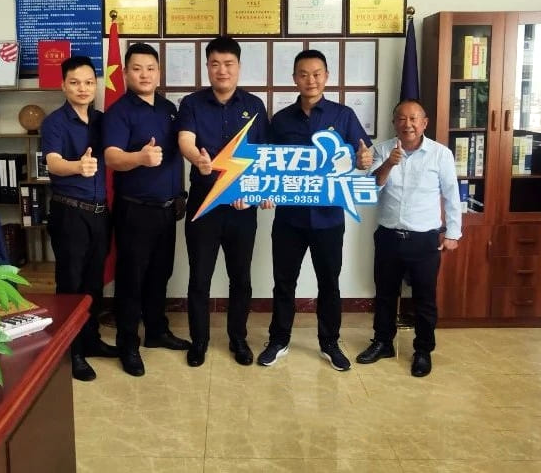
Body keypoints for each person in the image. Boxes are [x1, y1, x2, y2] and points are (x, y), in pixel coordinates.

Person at [256, 49, 373, 371]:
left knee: (329, 283)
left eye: (317, 73)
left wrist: (365, 160)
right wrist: (265, 192)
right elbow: (267, 163)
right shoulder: (281, 120)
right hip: (289, 219)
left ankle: (329, 343)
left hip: (328, 217)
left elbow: (363, 155)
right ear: (294, 78)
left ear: (327, 76)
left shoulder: (343, 115)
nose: (311, 80)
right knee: (284, 283)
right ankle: (278, 340)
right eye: (304, 74)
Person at [177, 36, 269, 368]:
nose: (222, 70)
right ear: (207, 67)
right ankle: (199, 341)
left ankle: (238, 339)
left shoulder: (255, 105)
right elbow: (185, 140)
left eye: (228, 64)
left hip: (242, 206)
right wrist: (197, 159)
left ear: (239, 66)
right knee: (199, 278)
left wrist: (258, 194)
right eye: (215, 64)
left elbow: (263, 156)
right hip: (204, 205)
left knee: (240, 278)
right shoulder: (192, 103)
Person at [356, 99, 462, 377]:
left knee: (424, 298)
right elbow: (369, 190)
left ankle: (423, 350)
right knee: (385, 294)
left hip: (424, 239)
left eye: (414, 119)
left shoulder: (440, 154)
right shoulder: (381, 150)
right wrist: (389, 164)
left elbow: (452, 195)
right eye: (402, 119)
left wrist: (453, 233)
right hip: (389, 236)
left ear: (424, 123)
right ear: (394, 123)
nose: (408, 124)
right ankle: (383, 343)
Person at [103, 42, 190, 377]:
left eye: (150, 68)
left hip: (168, 209)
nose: (144, 74)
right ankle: (128, 343)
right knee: (131, 279)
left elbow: (179, 152)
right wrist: (139, 157)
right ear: (126, 73)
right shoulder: (120, 111)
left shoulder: (169, 109)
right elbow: (111, 156)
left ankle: (156, 330)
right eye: (137, 69)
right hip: (135, 211)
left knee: (160, 273)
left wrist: (180, 192)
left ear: (159, 72)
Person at [41, 55, 118, 382]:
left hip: (99, 213)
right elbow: (53, 162)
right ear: (63, 86)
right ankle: (70, 351)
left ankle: (91, 339)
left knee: (93, 282)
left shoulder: (103, 120)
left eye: (88, 82)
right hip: (70, 211)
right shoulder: (55, 122)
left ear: (96, 85)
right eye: (75, 83)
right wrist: (77, 166)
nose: (83, 88)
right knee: (71, 284)